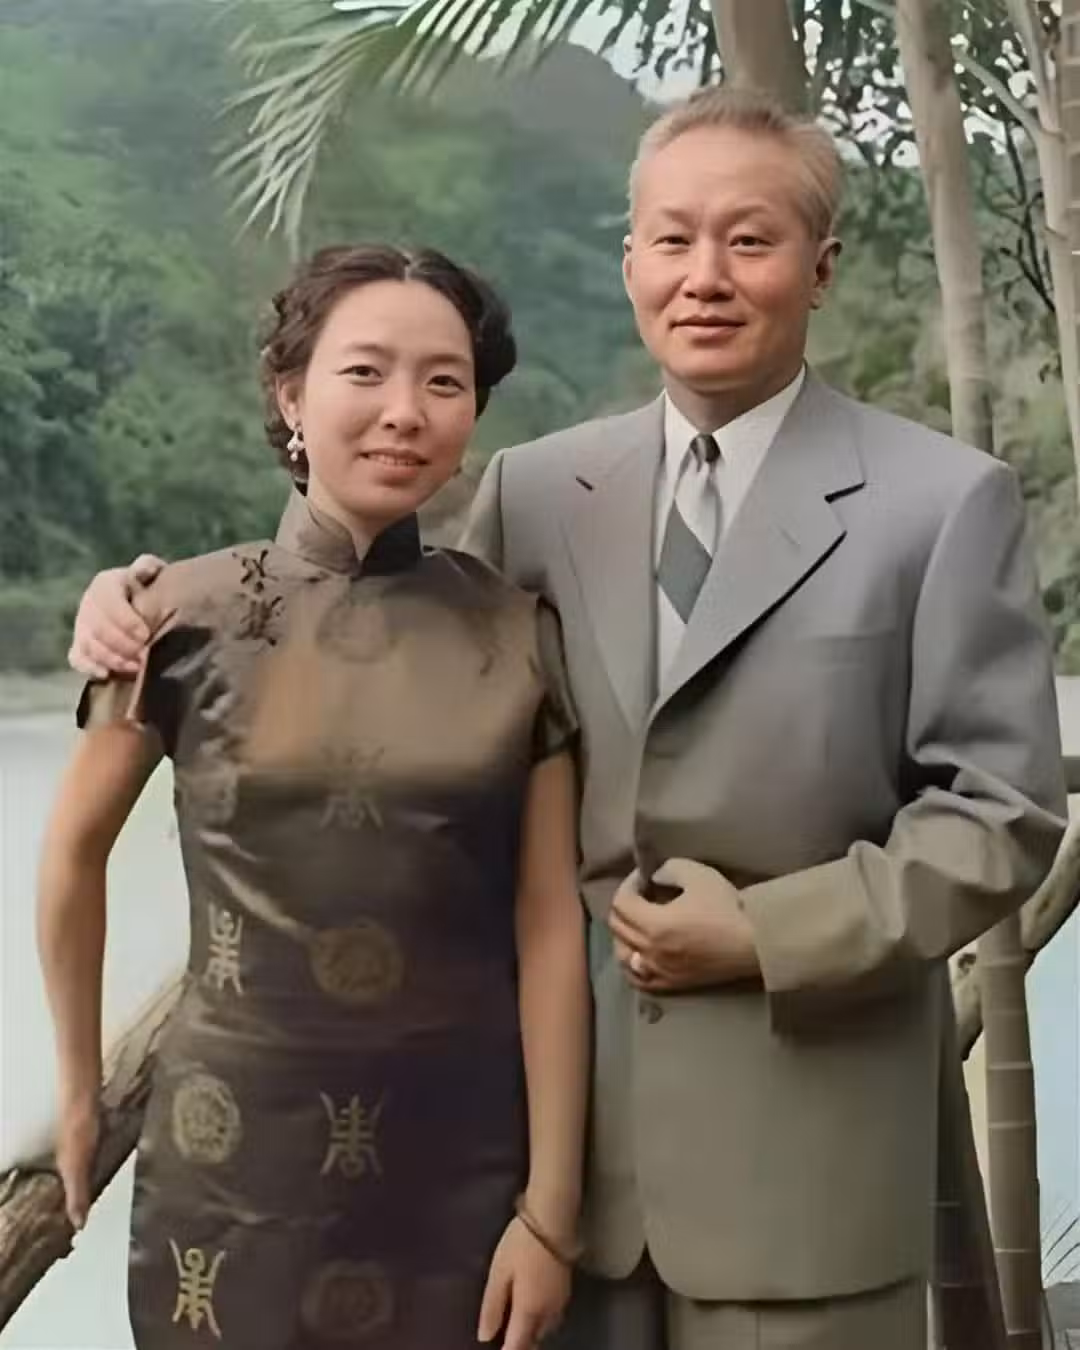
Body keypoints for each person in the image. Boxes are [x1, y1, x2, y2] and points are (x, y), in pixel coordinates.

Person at [69, 89, 1066, 1350]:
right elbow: (393, 660)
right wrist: (133, 600)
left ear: (820, 269)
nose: (706, 276)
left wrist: (766, 932)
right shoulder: (537, 490)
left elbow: (1002, 813)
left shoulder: (942, 502)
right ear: (630, 260)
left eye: (750, 241)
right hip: (543, 1175)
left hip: (802, 1165)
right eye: (673, 238)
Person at [40, 243, 590, 1350]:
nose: (404, 411)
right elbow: (71, 859)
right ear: (291, 395)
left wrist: (551, 1210)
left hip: (462, 1155)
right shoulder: (176, 617)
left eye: (443, 381)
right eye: (365, 372)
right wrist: (80, 1087)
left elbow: (548, 926)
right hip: (232, 1158)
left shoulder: (516, 634)